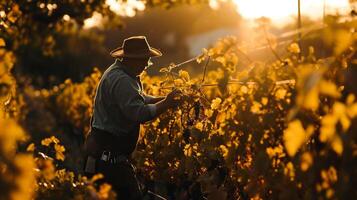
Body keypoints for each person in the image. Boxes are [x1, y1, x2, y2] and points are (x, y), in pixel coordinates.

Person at [84, 36, 182, 199]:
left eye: (147, 59)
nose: (146, 64)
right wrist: (166, 104)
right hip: (110, 160)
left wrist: (165, 99)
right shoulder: (122, 79)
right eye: (143, 60)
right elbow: (139, 113)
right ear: (131, 59)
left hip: (102, 155)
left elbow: (139, 98)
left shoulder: (121, 72)